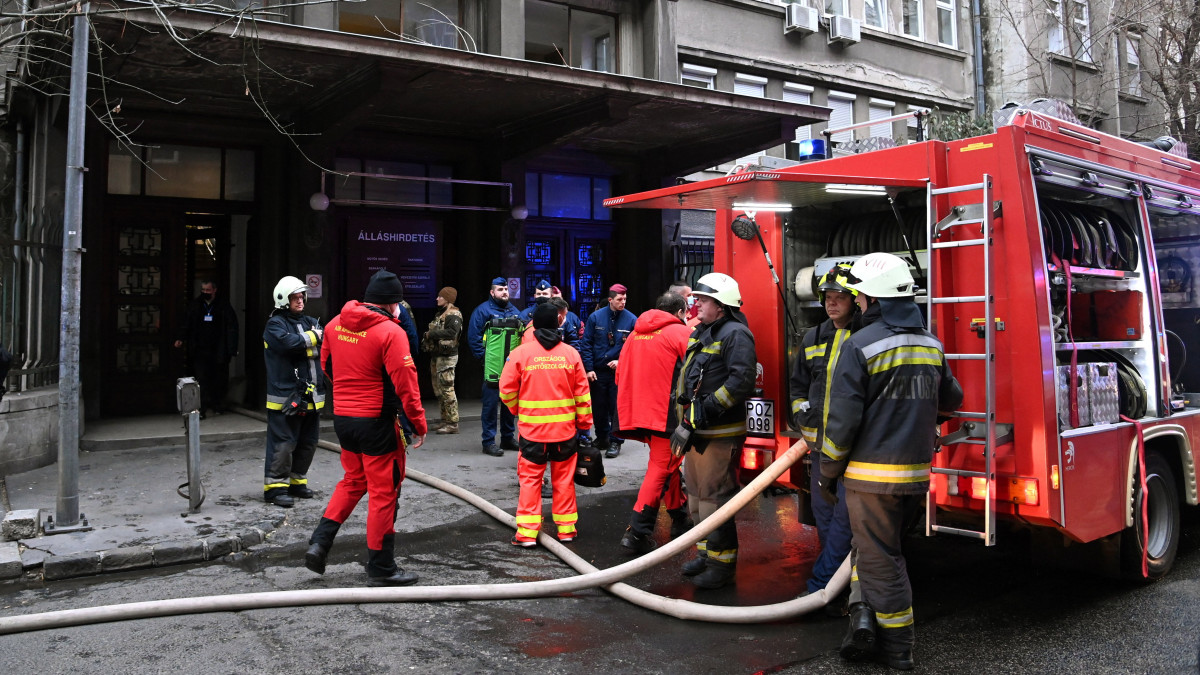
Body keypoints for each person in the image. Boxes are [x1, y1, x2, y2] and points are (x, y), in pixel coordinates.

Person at [819, 252, 962, 671]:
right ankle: (868, 625)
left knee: (882, 561)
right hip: (916, 475)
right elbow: (952, 401)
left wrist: (827, 472)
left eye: (860, 296)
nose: (857, 303)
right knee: (882, 551)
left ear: (873, 299)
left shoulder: (861, 345)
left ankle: (899, 648)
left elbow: (841, 424)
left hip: (870, 479)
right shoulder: (931, 344)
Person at [305, 269, 429, 587]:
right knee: (383, 493)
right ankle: (381, 567)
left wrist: (347, 395)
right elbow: (406, 384)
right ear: (392, 304)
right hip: (376, 422)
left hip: (344, 419)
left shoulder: (334, 324)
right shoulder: (391, 332)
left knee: (352, 480)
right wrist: (417, 423)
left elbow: (326, 366)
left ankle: (320, 542)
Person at [670, 272, 756, 589]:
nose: (696, 305)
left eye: (703, 300)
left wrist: (706, 410)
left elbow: (740, 382)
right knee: (696, 499)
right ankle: (706, 554)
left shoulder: (736, 335)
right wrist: (683, 419)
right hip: (697, 431)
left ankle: (722, 565)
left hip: (719, 433)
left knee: (714, 500)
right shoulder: (703, 331)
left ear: (721, 305)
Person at [788, 263, 862, 608]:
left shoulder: (866, 337)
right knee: (825, 514)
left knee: (847, 522)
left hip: (856, 450)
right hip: (820, 448)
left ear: (855, 300)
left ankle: (828, 590)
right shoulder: (813, 337)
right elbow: (798, 384)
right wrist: (803, 413)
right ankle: (835, 586)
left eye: (839, 298)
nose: (832, 304)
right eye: (827, 298)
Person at [499, 302, 593, 546]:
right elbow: (583, 394)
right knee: (563, 480)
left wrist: (517, 409)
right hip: (564, 433)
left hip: (532, 432)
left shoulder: (521, 353)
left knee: (530, 481)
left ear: (534, 325)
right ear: (559, 322)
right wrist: (584, 425)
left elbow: (506, 390)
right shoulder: (571, 354)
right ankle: (567, 529)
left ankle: (527, 533)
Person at [615, 291, 693, 554]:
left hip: (639, 412)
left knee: (668, 465)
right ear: (681, 312)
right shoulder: (680, 333)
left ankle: (679, 517)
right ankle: (637, 531)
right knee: (661, 467)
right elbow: (695, 373)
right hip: (667, 414)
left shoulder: (634, 335)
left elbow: (620, 375)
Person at [262, 276, 326, 507]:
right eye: (294, 297)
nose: (300, 301)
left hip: (311, 396)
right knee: (284, 442)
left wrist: (305, 342)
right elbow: (287, 344)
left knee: (308, 442)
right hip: (285, 396)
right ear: (283, 299)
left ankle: (296, 482)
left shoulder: (311, 321)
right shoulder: (275, 325)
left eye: (302, 296)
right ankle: (275, 488)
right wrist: (311, 340)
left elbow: (323, 340)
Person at [467, 276, 523, 456]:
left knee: (509, 405)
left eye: (506, 290)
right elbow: (474, 338)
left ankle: (507, 438)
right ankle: (488, 442)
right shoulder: (482, 311)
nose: (505, 292)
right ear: (492, 292)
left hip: (510, 370)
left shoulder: (515, 311)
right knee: (490, 407)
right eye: (500, 290)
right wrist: (485, 359)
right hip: (492, 369)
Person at [580, 283, 636, 459]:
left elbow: (635, 347)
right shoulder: (596, 318)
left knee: (616, 407)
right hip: (598, 370)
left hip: (618, 372)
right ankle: (602, 437)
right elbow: (586, 343)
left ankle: (615, 441)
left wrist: (621, 361)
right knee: (598, 406)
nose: (623, 302)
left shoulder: (631, 320)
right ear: (610, 300)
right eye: (619, 299)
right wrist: (588, 369)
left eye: (625, 299)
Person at [174, 279, 239, 417]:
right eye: (203, 290)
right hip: (200, 349)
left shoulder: (223, 306)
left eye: (208, 290)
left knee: (218, 378)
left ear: (214, 290)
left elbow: (232, 327)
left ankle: (218, 404)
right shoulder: (195, 305)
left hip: (218, 349)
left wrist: (232, 348)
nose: (205, 293)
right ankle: (201, 408)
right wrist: (180, 338)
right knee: (201, 379)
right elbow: (187, 323)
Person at [422, 286, 463, 435]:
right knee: (439, 389)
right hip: (438, 356)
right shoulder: (442, 314)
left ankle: (452, 423)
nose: (437, 299)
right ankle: (445, 420)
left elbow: (452, 332)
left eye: (440, 297)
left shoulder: (453, 314)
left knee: (447, 388)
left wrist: (431, 334)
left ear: (447, 299)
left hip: (447, 357)